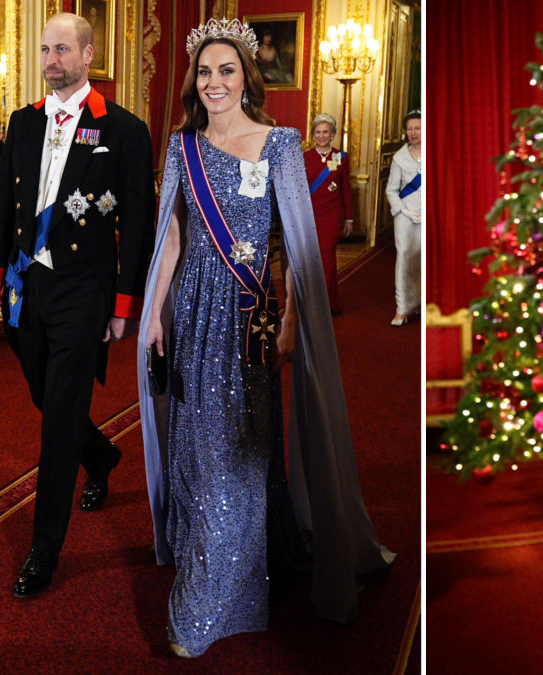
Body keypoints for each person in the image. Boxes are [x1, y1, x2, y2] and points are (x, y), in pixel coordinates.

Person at [137, 18, 395, 658]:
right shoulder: (181, 146)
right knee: (198, 442)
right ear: (194, 83)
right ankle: (208, 571)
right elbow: (171, 238)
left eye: (227, 70)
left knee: (244, 443)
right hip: (192, 309)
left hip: (248, 313)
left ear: (246, 77)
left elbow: (298, 248)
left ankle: (235, 580)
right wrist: (152, 314)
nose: (214, 82)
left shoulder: (279, 143)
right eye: (204, 72)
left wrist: (288, 320)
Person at [0, 12, 155, 598]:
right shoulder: (24, 123)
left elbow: (138, 223)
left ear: (88, 54)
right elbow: (6, 201)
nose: (51, 60)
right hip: (28, 285)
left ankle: (43, 547)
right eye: (46, 50)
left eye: (62, 50)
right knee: (41, 393)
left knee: (57, 419)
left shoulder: (123, 130)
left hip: (83, 290)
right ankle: (101, 456)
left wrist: (124, 301)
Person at [304, 112, 354, 314]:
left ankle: (327, 304)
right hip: (309, 215)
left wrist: (349, 217)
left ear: (332, 134)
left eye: (326, 132)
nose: (322, 136)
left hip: (331, 216)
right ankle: (309, 303)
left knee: (327, 259)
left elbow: (345, 190)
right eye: (318, 132)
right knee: (308, 259)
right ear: (313, 134)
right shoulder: (304, 157)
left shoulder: (341, 157)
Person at [385, 110, 421, 326]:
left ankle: (419, 302)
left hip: (426, 217)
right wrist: (404, 211)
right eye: (410, 129)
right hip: (405, 217)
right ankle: (402, 308)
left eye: (417, 128)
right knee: (404, 259)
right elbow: (391, 190)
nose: (413, 132)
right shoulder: (400, 157)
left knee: (422, 260)